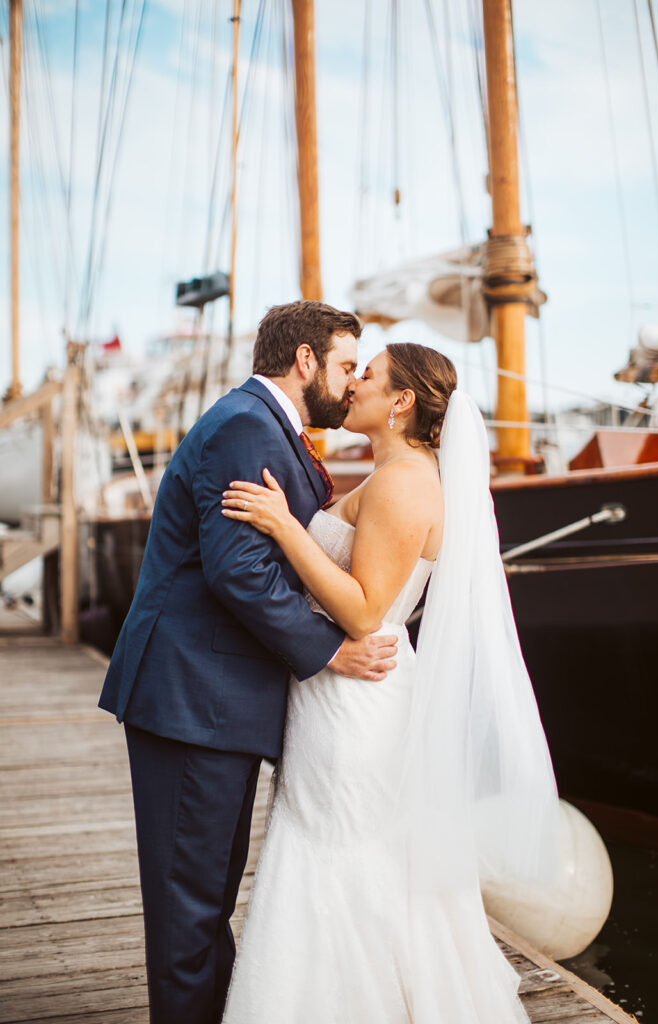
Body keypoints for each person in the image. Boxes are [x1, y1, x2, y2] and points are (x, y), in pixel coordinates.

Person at [220, 342, 559, 1023]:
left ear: (401, 401)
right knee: (347, 851)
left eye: (367, 376)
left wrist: (286, 527)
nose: (353, 387)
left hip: (357, 698)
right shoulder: (392, 473)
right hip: (342, 692)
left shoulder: (406, 483)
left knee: (342, 853)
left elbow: (364, 608)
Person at [98, 301, 399, 1024]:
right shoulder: (244, 427)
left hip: (217, 701)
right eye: (344, 366)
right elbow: (239, 571)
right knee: (189, 909)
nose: (350, 383)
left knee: (202, 901)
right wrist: (331, 650)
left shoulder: (264, 429)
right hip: (194, 698)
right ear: (303, 362)